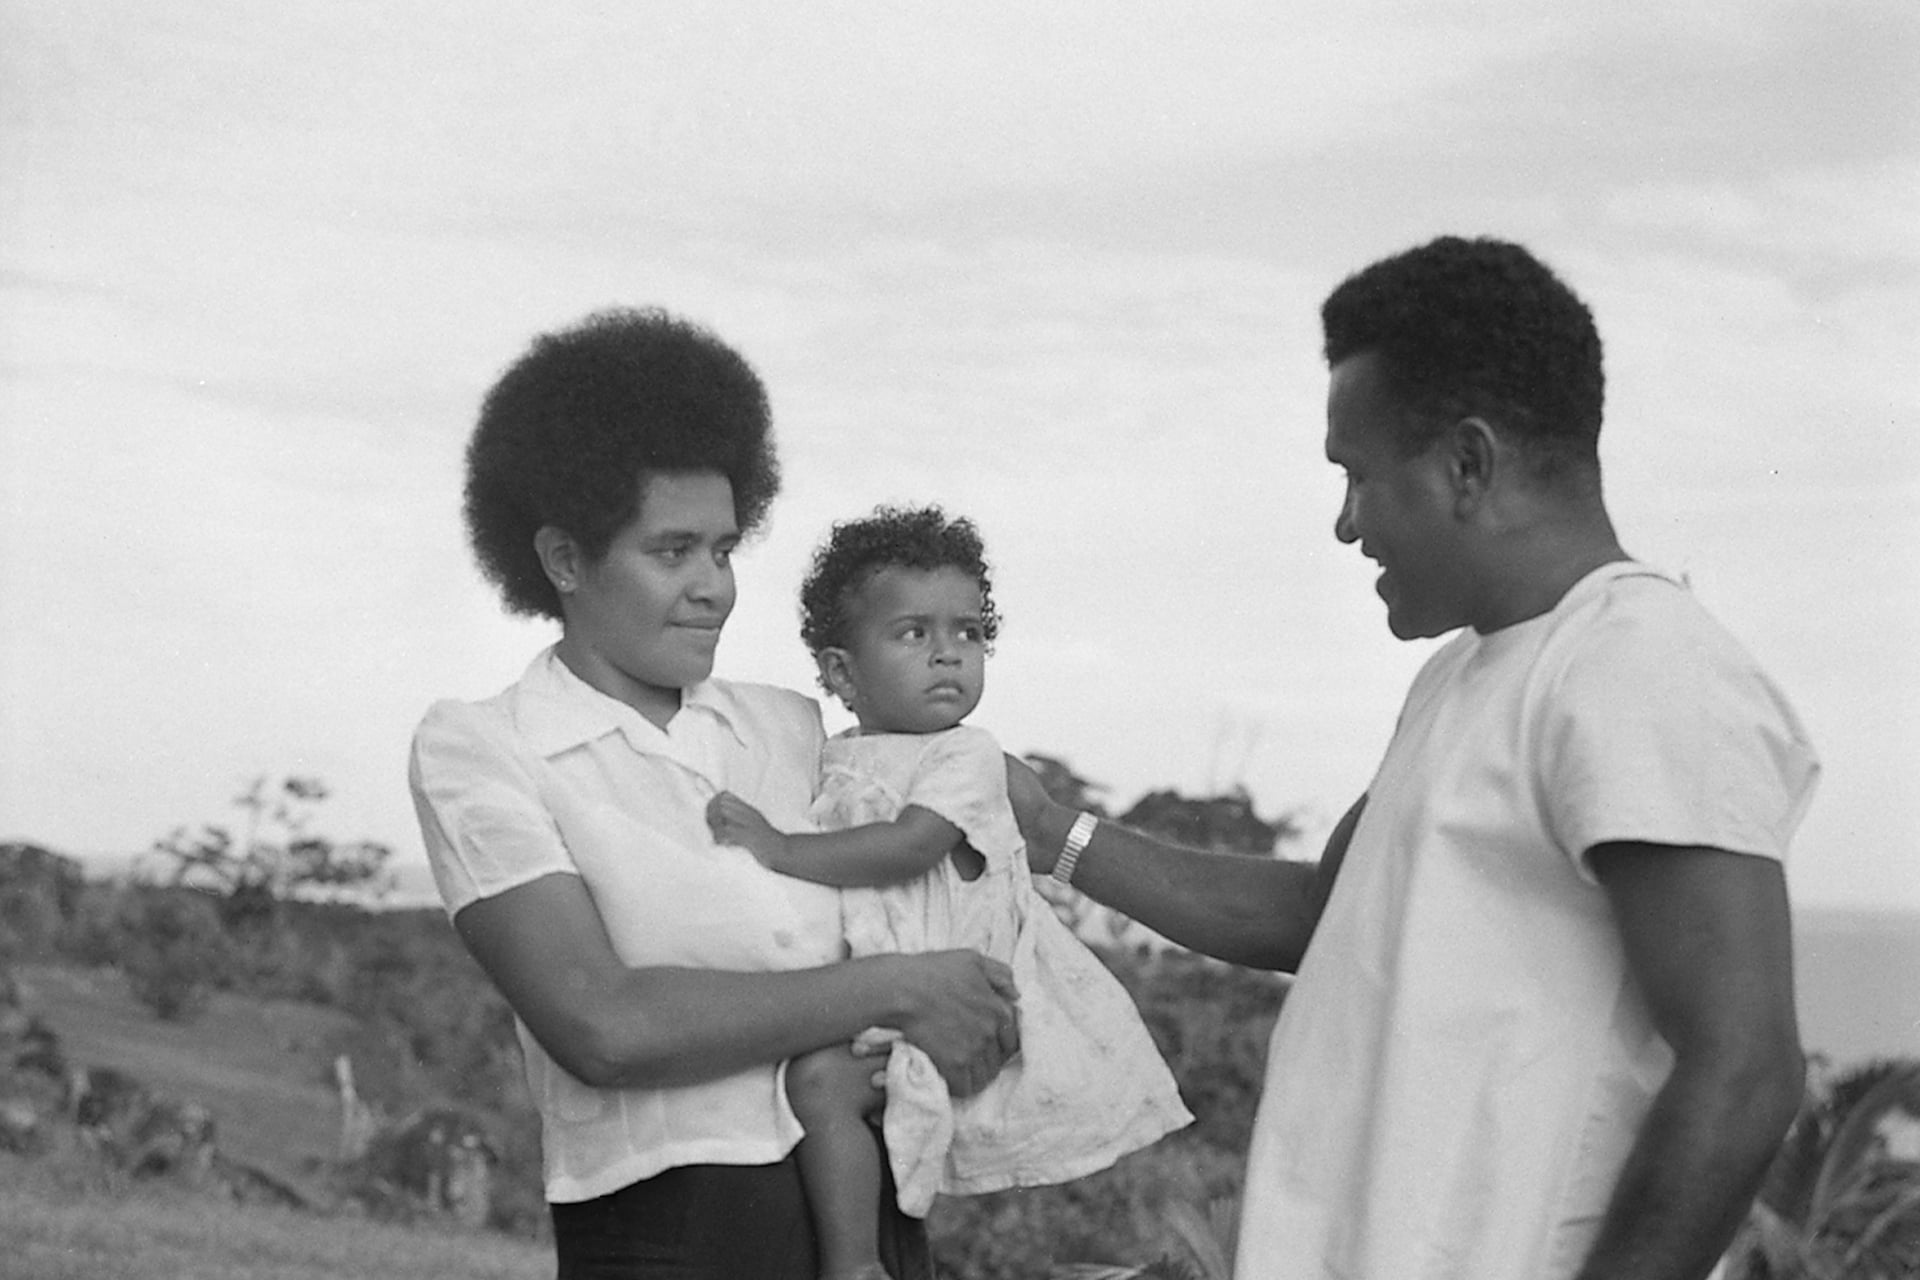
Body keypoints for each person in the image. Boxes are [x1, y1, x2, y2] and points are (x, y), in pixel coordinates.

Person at [1007, 236, 1820, 1280]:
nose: (1346, 523)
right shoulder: (1464, 676)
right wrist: (1045, 831)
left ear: (1467, 465)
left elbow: (1745, 1067)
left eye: (1357, 477)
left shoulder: (1636, 662)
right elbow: (1317, 912)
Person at [408, 308, 1021, 1279]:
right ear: (565, 558)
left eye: (726, 549)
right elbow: (604, 1024)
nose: (715, 587)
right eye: (672, 550)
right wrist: (899, 987)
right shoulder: (486, 747)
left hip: (869, 1225)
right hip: (671, 1236)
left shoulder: (794, 729)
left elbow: (952, 877)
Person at [706, 505, 1192, 1280]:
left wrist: (779, 847)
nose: (947, 655)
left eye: (968, 633)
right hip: (884, 984)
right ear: (840, 672)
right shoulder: (834, 758)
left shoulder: (965, 754)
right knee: (812, 1087)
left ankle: (854, 1263)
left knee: (821, 1084)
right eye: (914, 634)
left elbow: (909, 848)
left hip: (964, 989)